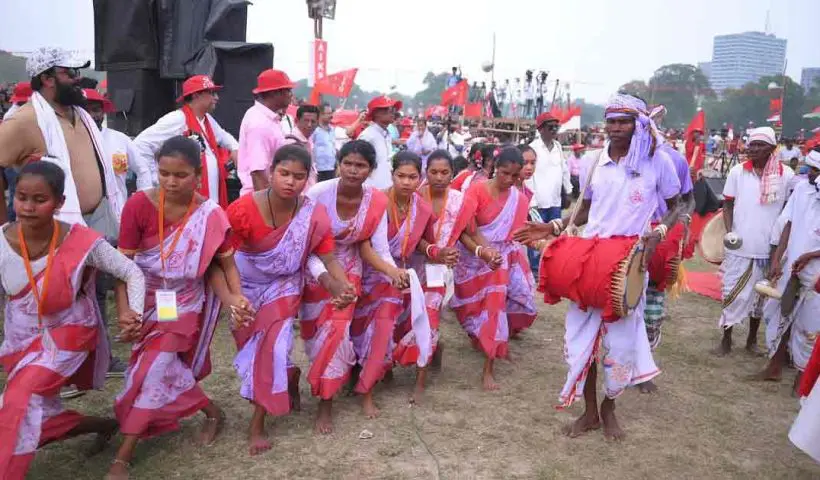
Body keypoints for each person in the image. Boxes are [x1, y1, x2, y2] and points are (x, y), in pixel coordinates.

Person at [515, 93, 682, 440]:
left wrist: (659, 231)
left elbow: (679, 203)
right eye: (610, 121)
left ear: (639, 124)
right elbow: (585, 211)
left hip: (629, 265)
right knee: (583, 342)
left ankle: (610, 410)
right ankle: (590, 412)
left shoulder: (658, 161)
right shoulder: (596, 160)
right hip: (589, 260)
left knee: (619, 346)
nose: (615, 128)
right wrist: (554, 227)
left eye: (623, 121)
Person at [109, 136, 251, 479]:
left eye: (180, 175)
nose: (170, 182)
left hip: (185, 303)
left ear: (198, 176)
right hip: (146, 299)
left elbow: (224, 264)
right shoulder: (137, 205)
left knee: (153, 371)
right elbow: (122, 268)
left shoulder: (210, 214)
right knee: (158, 369)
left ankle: (123, 456)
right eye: (163, 173)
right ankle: (212, 411)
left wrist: (236, 299)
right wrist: (124, 311)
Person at [0, 162, 144, 479]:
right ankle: (104, 425)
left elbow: (130, 271)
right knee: (32, 411)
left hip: (70, 334)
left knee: (19, 401)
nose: (27, 207)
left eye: (39, 199)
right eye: (21, 197)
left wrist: (131, 311)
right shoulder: (1, 241)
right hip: (20, 337)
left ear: (60, 203)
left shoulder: (81, 241)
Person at [226, 145, 354, 455]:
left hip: (284, 286)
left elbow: (325, 256)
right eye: (284, 174)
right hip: (245, 286)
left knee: (270, 350)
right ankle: (290, 373)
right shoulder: (242, 209)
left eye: (299, 176)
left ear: (307, 179)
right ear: (271, 172)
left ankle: (257, 424)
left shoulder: (313, 214)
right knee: (251, 348)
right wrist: (234, 296)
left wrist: (342, 284)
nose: (290, 182)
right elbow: (226, 259)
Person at [301, 140, 406, 433]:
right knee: (318, 339)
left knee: (339, 333)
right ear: (338, 164)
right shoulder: (317, 194)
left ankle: (327, 402)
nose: (352, 170)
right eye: (347, 163)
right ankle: (327, 393)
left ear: (370, 170)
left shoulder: (377, 201)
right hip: (316, 271)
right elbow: (307, 248)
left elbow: (381, 248)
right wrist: (327, 280)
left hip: (352, 271)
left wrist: (392, 273)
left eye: (360, 165)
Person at [451, 147, 537, 390]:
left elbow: (517, 235)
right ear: (493, 168)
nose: (508, 180)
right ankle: (485, 340)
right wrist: (484, 251)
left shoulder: (519, 199)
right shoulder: (476, 190)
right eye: (504, 174)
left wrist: (543, 242)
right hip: (472, 258)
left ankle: (490, 361)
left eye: (514, 176)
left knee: (499, 307)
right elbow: (466, 230)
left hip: (501, 260)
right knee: (471, 309)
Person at [715, 127, 795, 356]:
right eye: (752, 145)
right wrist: (730, 232)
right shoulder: (738, 172)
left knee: (761, 298)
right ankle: (726, 339)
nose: (754, 149)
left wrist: (778, 250)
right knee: (732, 292)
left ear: (772, 149)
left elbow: (789, 215)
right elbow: (728, 205)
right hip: (740, 245)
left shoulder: (786, 175)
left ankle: (751, 341)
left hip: (770, 249)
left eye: (760, 145)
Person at [750, 150, 820, 390]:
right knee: (777, 313)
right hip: (791, 266)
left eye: (815, 171)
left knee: (809, 324)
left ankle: (802, 378)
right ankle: (774, 367)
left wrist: (811, 255)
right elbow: (788, 225)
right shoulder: (801, 190)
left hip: (817, 273)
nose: (810, 174)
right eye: (809, 169)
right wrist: (777, 259)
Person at [133, 75, 239, 207]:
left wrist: (235, 148)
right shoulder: (177, 118)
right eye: (211, 93)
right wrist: (154, 179)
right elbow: (140, 145)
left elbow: (223, 136)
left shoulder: (207, 120)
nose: (216, 98)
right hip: (186, 202)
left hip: (210, 199)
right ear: (195, 96)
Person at [83, 89, 153, 211]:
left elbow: (143, 169)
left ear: (103, 112)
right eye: (85, 111)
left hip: (118, 214)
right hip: (84, 214)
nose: (91, 116)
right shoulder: (69, 142)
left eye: (95, 110)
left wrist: (142, 200)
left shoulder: (120, 139)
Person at [237, 69, 294, 196]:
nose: (291, 95)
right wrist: (267, 210)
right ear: (274, 93)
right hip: (260, 200)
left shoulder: (265, 118)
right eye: (288, 90)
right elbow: (258, 173)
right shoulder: (259, 123)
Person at [526, 113, 573, 223]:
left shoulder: (558, 146)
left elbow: (564, 171)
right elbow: (528, 178)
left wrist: (569, 191)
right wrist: (532, 203)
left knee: (555, 234)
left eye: (557, 127)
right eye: (551, 127)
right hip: (539, 204)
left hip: (555, 202)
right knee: (539, 238)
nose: (555, 129)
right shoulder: (532, 148)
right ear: (541, 129)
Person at [358, 96, 402, 189]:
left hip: (387, 185)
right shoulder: (368, 136)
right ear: (377, 113)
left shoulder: (386, 134)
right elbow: (358, 162)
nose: (393, 113)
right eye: (389, 110)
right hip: (372, 188)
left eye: (393, 110)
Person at [284, 104, 320, 187]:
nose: (309, 125)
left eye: (313, 121)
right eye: (306, 120)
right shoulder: (291, 142)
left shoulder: (309, 141)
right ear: (296, 121)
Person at [312, 103, 337, 182]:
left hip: (331, 168)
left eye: (331, 113)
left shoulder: (332, 130)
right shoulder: (314, 130)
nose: (331, 116)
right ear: (321, 114)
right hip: (319, 169)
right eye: (329, 113)